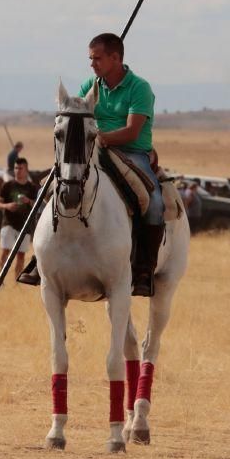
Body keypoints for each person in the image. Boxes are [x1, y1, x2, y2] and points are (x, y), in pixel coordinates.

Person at [77, 32, 164, 296]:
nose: (92, 64)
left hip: (131, 152)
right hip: (92, 150)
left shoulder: (140, 88)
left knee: (155, 203)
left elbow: (132, 131)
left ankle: (143, 269)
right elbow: (78, 118)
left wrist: (101, 137)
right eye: (90, 59)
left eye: (97, 58)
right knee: (53, 186)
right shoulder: (89, 86)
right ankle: (43, 257)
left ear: (115, 58)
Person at [0, 158, 39, 279]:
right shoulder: (7, 185)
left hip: (25, 226)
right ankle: (0, 280)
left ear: (26, 170)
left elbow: (38, 206)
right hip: (8, 223)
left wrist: (28, 201)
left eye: (20, 168)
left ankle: (17, 281)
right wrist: (7, 206)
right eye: (15, 168)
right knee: (5, 253)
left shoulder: (32, 188)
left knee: (21, 255)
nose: (17, 171)